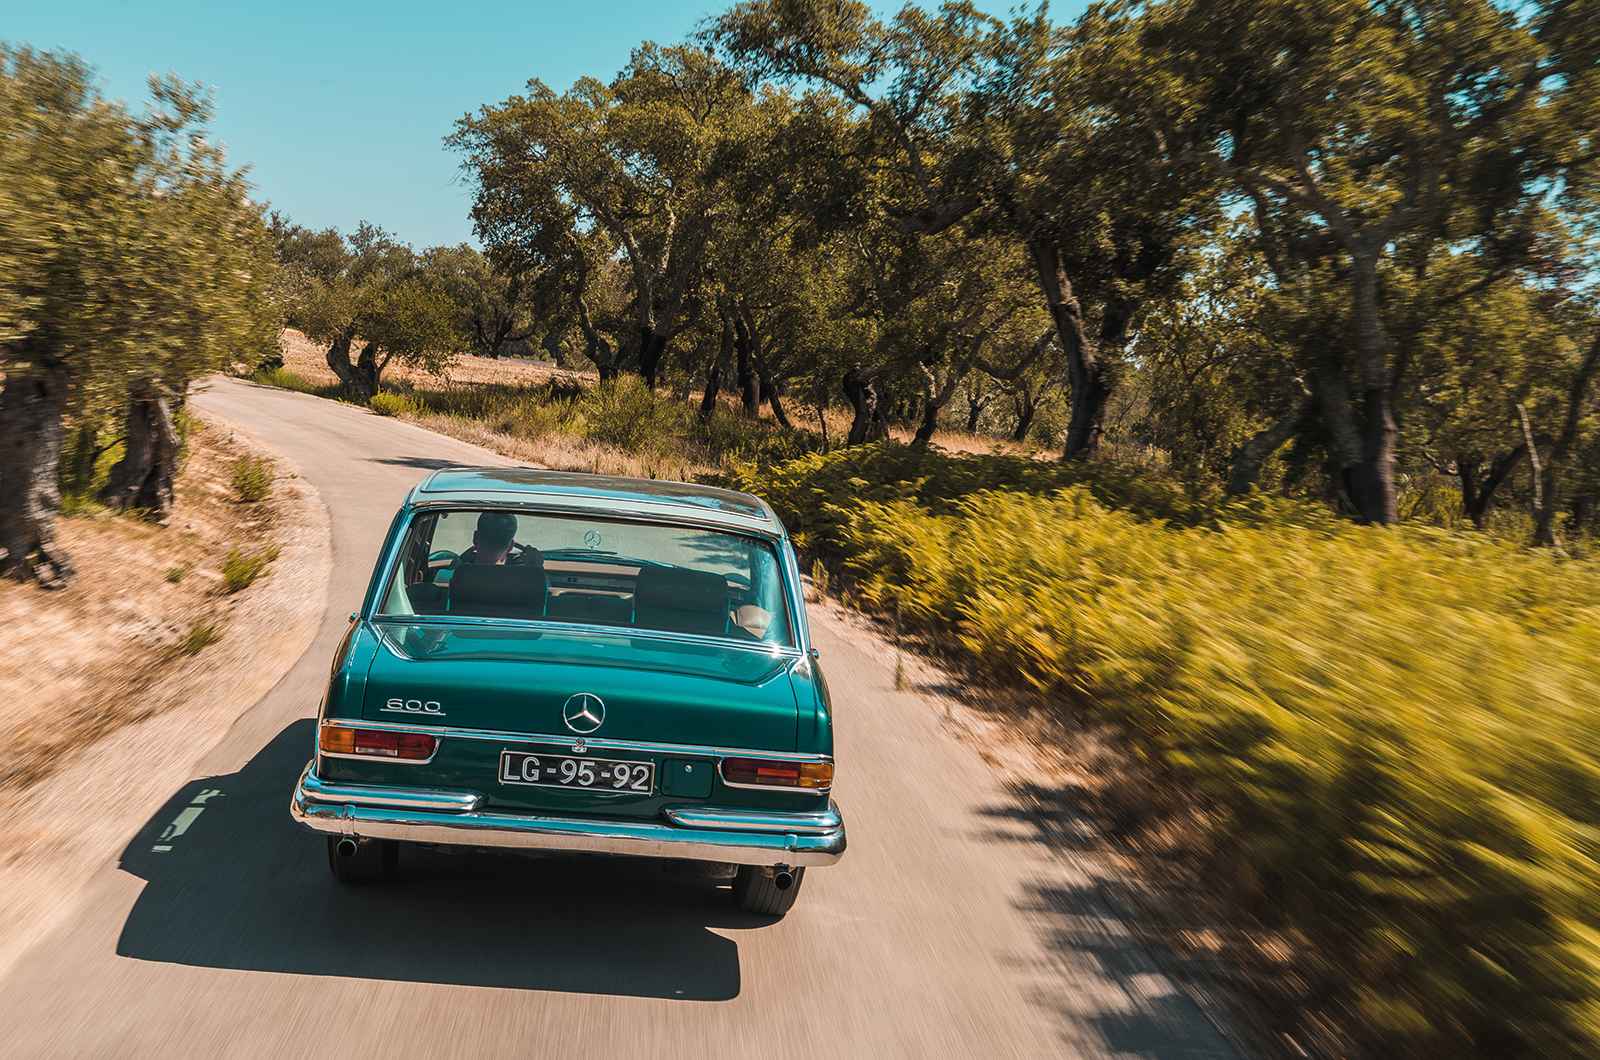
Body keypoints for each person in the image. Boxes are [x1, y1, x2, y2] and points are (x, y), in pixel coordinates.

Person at [454, 511, 543, 567]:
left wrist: (452, 570)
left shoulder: (454, 576)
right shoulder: (528, 581)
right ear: (511, 546)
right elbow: (548, 594)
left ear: (475, 538)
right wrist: (537, 566)